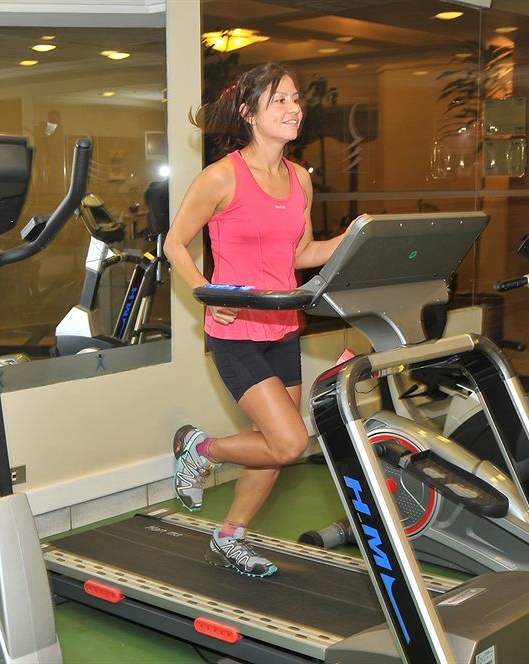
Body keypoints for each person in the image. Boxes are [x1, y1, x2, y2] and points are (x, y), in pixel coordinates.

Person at [164, 63, 351, 578]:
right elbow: (174, 242)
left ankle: (230, 538)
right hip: (236, 334)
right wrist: (204, 292)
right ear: (249, 114)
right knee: (290, 442)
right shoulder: (223, 176)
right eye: (279, 101)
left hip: (283, 327)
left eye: (295, 99)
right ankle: (200, 448)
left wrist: (354, 238)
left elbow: (304, 251)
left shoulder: (299, 180)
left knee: (274, 444)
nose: (294, 109)